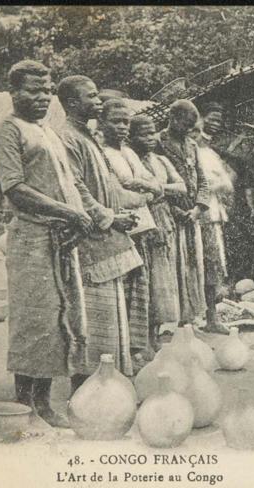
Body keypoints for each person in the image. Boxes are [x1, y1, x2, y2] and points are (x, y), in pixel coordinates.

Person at [0, 60, 102, 427]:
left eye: (46, 90)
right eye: (32, 90)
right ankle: (25, 405)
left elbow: (71, 184)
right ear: (14, 92)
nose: (41, 97)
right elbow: (16, 189)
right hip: (31, 237)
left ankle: (42, 401)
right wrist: (68, 214)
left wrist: (83, 217)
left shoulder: (48, 132)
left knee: (58, 320)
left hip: (61, 238)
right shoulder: (7, 131)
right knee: (33, 320)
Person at [57, 75, 142, 390]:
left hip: (103, 234)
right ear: (72, 103)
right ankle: (86, 392)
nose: (98, 101)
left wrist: (117, 213)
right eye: (92, 96)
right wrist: (109, 218)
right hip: (89, 241)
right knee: (89, 322)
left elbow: (103, 185)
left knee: (107, 318)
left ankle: (107, 388)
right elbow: (75, 187)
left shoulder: (87, 136)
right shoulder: (68, 138)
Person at [99, 100, 177, 357]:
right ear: (101, 122)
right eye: (116, 121)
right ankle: (126, 350)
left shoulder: (129, 153)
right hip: (123, 229)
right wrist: (143, 191)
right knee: (126, 292)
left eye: (125, 122)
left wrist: (141, 187)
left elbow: (152, 183)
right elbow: (117, 194)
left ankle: (141, 345)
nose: (122, 127)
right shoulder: (103, 154)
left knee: (145, 290)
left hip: (143, 225)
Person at [130, 114, 186, 348]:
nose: (150, 138)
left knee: (162, 278)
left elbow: (181, 187)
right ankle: (144, 338)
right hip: (141, 221)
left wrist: (155, 187)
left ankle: (157, 333)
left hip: (163, 220)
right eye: (144, 134)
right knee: (145, 278)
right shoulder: (129, 159)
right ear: (132, 137)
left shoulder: (161, 161)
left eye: (153, 132)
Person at [156, 100, 210, 328]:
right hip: (170, 215)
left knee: (192, 266)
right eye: (185, 124)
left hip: (192, 216)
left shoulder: (192, 146)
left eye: (191, 126)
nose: (189, 130)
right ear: (172, 118)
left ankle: (188, 319)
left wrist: (198, 208)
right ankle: (172, 320)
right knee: (172, 267)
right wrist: (175, 209)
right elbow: (154, 181)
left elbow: (202, 181)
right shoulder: (158, 143)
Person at [201, 103, 254, 284]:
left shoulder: (225, 141)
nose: (216, 124)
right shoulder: (203, 143)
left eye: (219, 120)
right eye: (212, 119)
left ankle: (229, 279)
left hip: (231, 194)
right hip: (211, 195)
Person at [192, 117, 235, 334]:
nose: (197, 136)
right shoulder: (176, 153)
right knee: (191, 267)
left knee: (211, 266)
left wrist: (204, 187)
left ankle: (211, 317)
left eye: (199, 131)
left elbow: (227, 184)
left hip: (210, 214)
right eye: (192, 131)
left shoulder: (208, 154)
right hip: (189, 215)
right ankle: (189, 320)